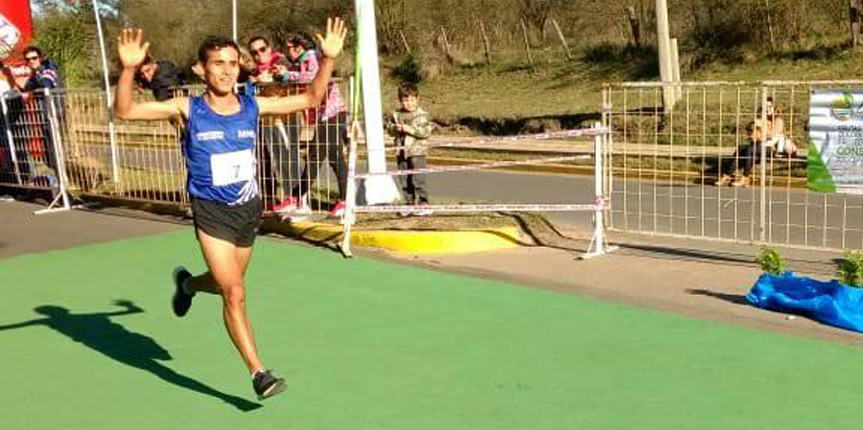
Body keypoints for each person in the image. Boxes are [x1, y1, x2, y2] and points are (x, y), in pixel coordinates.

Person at [112, 18, 347, 401]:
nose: (226, 70)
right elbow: (124, 112)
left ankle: (187, 284)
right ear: (201, 69)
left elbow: (310, 100)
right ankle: (259, 373)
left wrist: (328, 59)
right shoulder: (186, 108)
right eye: (218, 63)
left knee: (226, 284)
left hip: (247, 209)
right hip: (210, 211)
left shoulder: (253, 107)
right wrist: (128, 69)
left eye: (232, 63)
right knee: (235, 292)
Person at [278, 33, 349, 219]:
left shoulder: (311, 58)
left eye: (290, 48)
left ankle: (298, 198)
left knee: (315, 156)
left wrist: (287, 75)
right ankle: (344, 200)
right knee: (335, 159)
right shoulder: (305, 60)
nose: (288, 52)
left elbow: (312, 78)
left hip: (332, 114)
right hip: (327, 115)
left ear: (298, 47)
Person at [386, 83, 434, 215]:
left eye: (412, 100)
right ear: (400, 100)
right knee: (404, 178)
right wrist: (394, 129)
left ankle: (424, 203)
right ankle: (409, 203)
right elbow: (389, 130)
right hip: (401, 151)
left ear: (417, 99)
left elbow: (425, 132)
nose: (408, 103)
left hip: (417, 152)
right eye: (405, 100)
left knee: (418, 178)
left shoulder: (423, 115)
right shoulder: (396, 114)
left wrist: (407, 129)